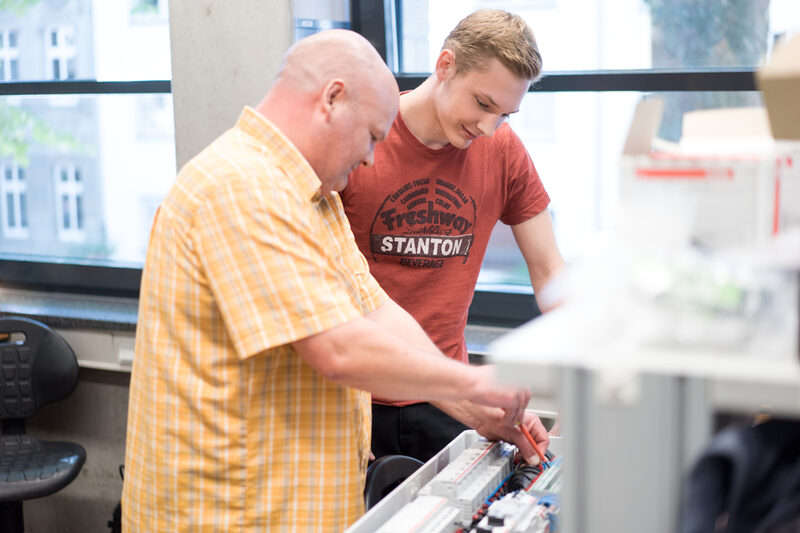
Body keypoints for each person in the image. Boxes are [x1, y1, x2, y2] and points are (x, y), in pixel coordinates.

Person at [122, 29, 546, 533]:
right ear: (331, 99)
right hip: (230, 511)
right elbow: (339, 350)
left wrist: (477, 409)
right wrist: (476, 380)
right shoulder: (241, 187)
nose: (370, 159)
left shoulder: (314, 198)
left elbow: (376, 313)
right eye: (370, 135)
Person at [341, 9, 566, 463]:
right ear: (445, 66)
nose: (488, 127)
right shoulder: (363, 141)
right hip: (356, 403)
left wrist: (585, 382)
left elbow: (549, 273)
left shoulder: (502, 150)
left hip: (451, 401)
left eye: (505, 114)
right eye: (483, 104)